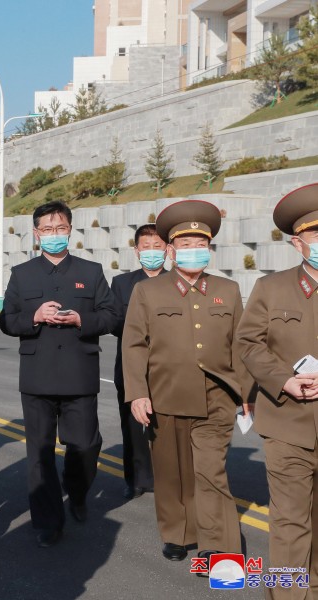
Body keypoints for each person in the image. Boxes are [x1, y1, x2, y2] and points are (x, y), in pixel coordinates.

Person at [123, 199, 251, 565]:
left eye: (201, 244)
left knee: (211, 473)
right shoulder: (148, 292)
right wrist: (138, 394)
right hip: (166, 396)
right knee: (172, 473)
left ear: (209, 249)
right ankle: (177, 533)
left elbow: (240, 345)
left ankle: (218, 548)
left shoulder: (228, 289)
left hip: (217, 399)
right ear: (171, 250)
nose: (194, 250)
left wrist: (247, 394)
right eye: (185, 244)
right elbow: (134, 345)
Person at [0, 200, 117, 548]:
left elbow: (111, 316)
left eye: (60, 228)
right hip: (37, 377)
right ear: (36, 234)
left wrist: (82, 319)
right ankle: (48, 521)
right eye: (47, 229)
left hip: (80, 374)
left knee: (86, 445)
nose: (54, 234)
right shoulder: (22, 274)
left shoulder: (91, 272)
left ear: (70, 230)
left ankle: (76, 491)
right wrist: (34, 317)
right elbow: (7, 320)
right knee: (40, 453)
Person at [236, 183, 318, 598]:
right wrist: (283, 379)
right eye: (316, 234)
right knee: (289, 523)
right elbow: (248, 343)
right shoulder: (271, 288)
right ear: (296, 243)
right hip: (287, 423)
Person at [110, 224, 163, 500]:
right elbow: (114, 322)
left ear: (167, 249)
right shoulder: (122, 284)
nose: (152, 252)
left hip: (167, 368)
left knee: (165, 428)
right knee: (132, 427)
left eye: (157, 246)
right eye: (146, 247)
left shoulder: (176, 281)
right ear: (137, 250)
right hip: (131, 367)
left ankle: (165, 477)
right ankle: (135, 479)